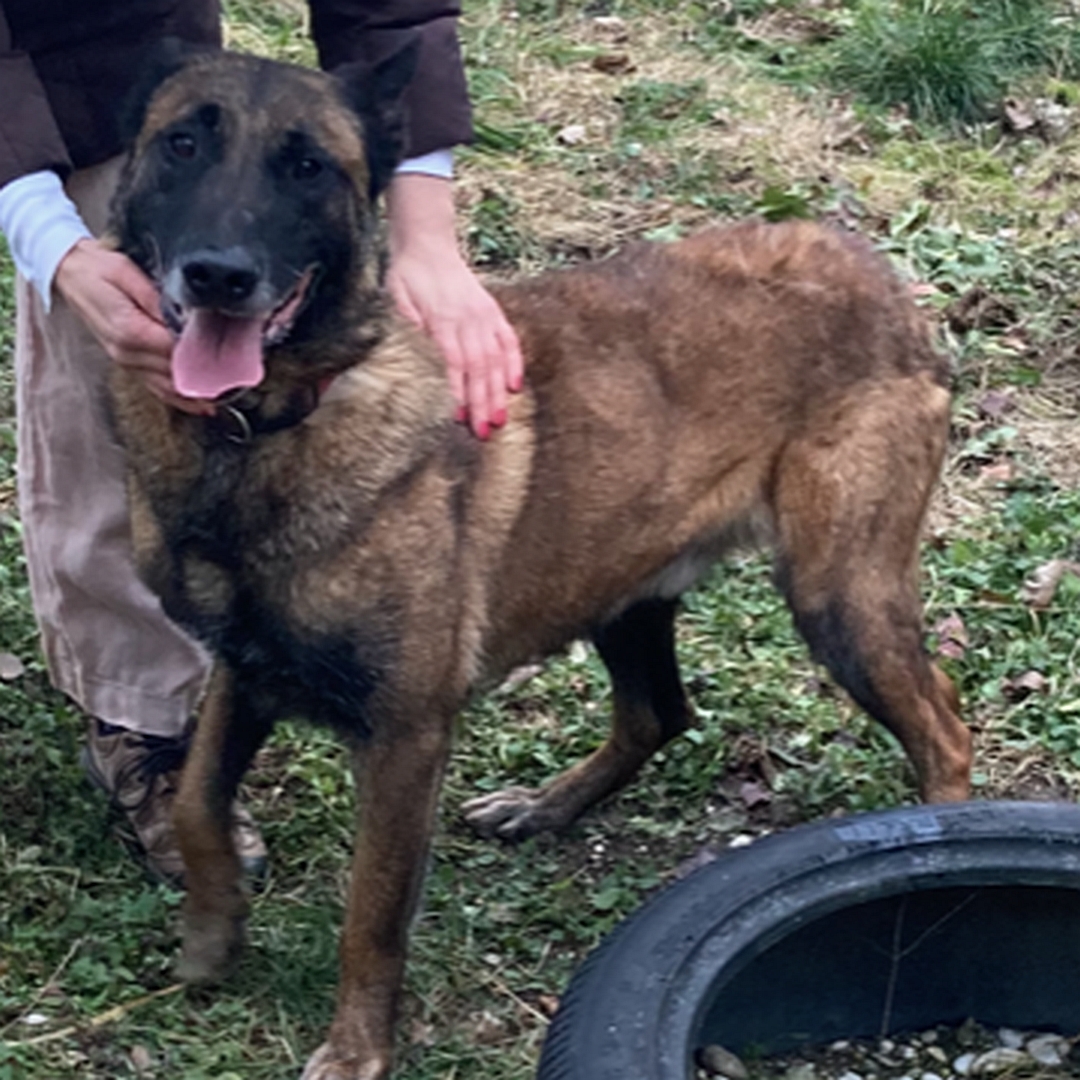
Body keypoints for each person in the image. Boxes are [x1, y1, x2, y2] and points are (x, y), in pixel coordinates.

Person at [0, 1, 523, 886]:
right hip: (50, 39)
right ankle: (141, 717)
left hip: (110, 31)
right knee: (103, 393)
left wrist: (427, 237)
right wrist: (54, 245)